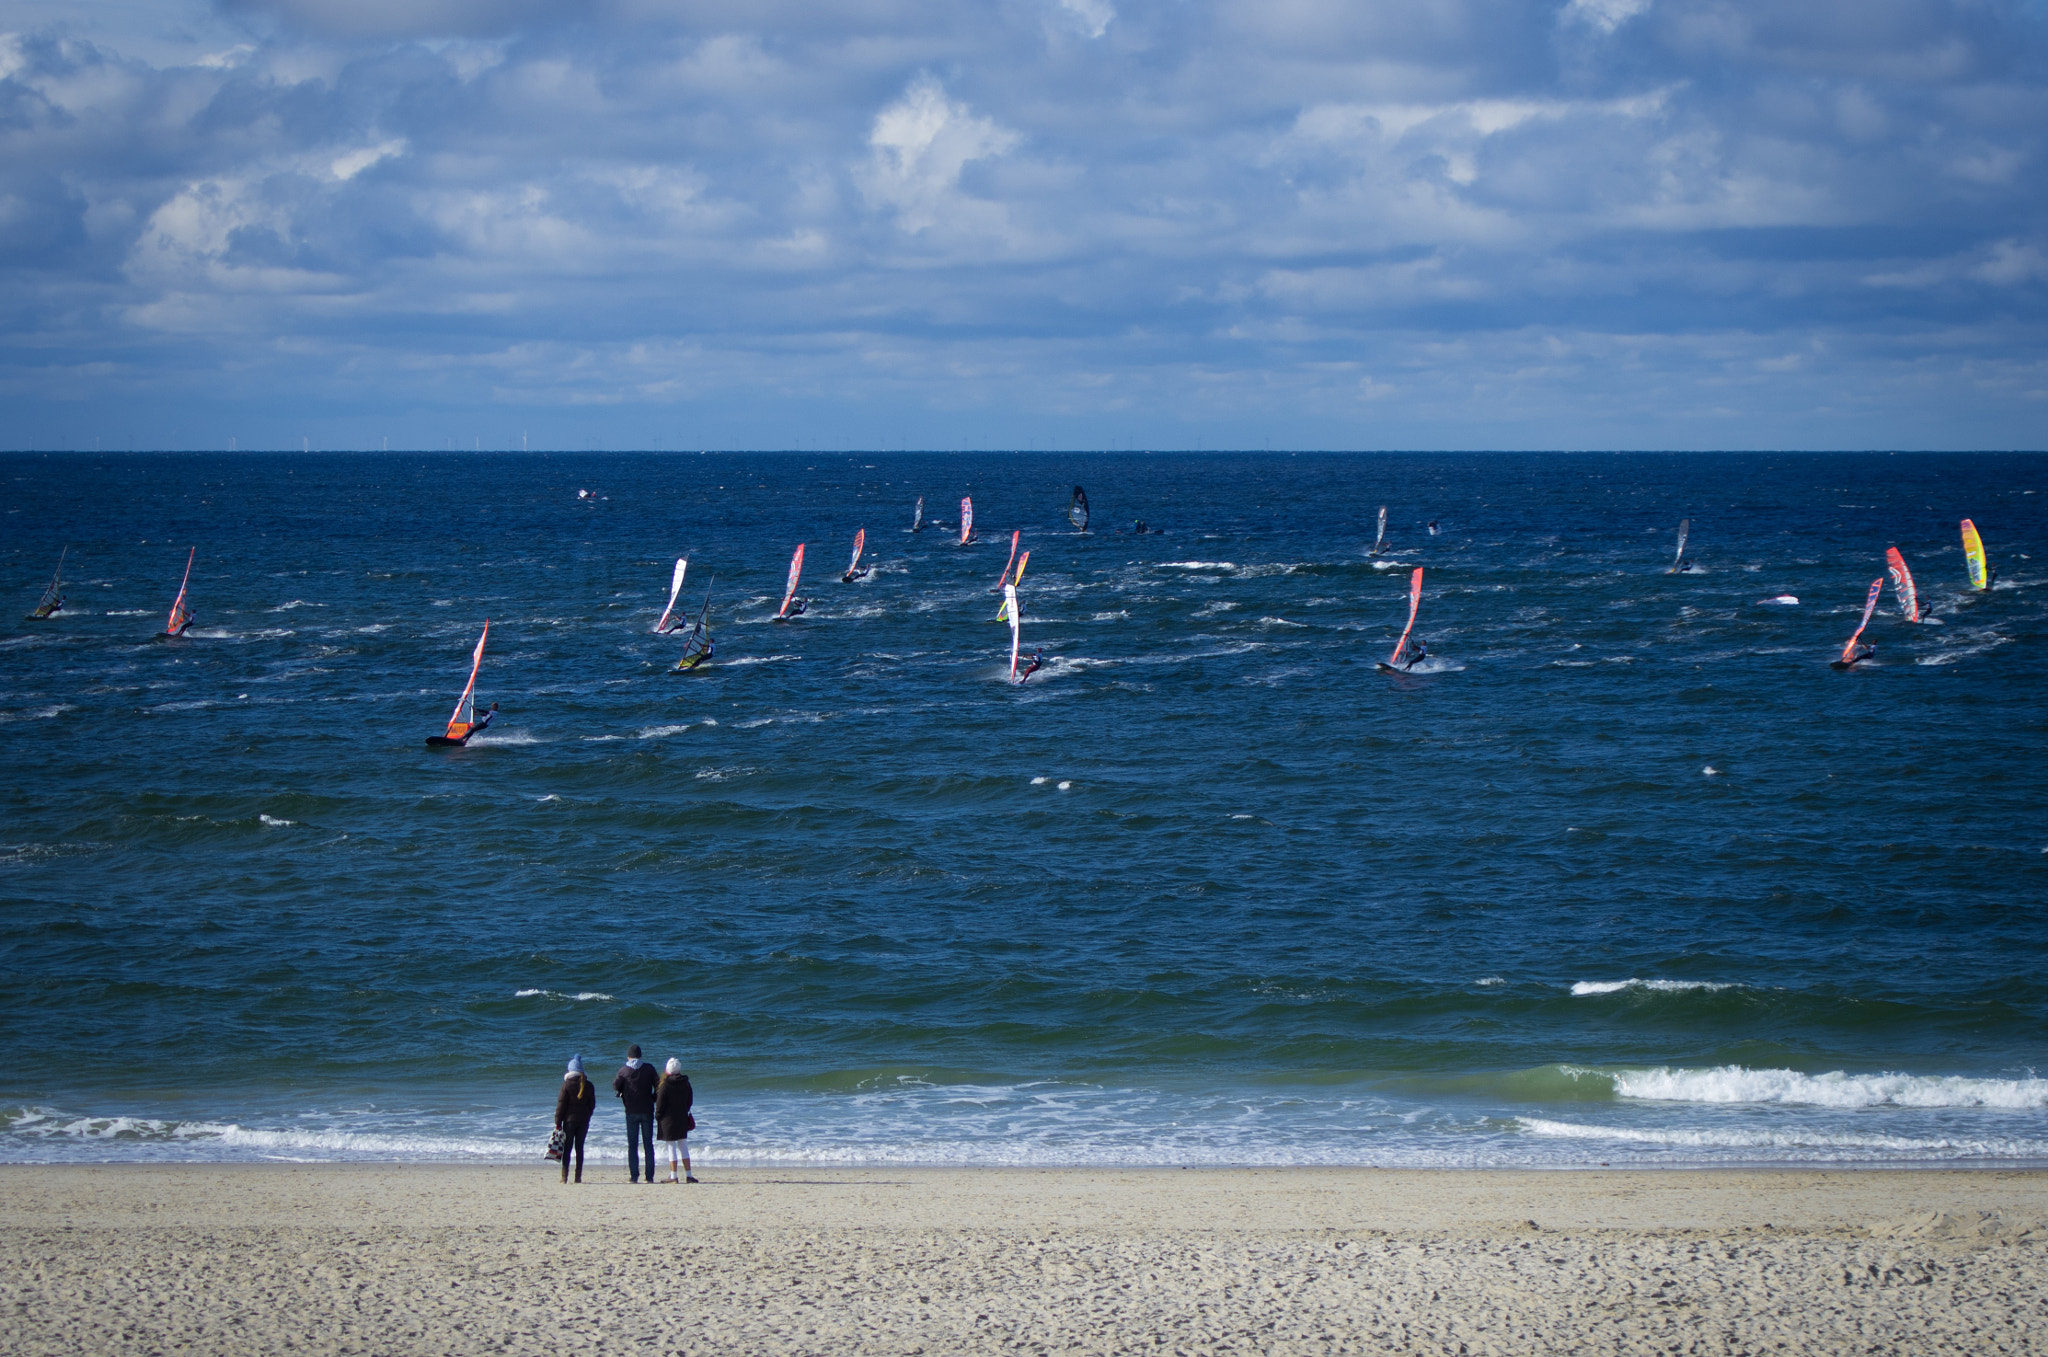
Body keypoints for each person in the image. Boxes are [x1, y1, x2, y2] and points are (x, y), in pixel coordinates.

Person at [614, 1044, 659, 1184]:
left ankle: (634, 1176)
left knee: (632, 1144)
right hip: (647, 1110)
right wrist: (653, 1098)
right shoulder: (649, 1068)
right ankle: (649, 1176)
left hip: (631, 1111)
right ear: (640, 1055)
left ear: (629, 1056)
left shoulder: (623, 1071)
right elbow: (659, 1085)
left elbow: (616, 1085)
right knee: (648, 1144)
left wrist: (623, 1093)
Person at [554, 1054, 596, 1184]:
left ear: (570, 1070)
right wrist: (587, 1116)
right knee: (579, 1148)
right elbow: (592, 1105)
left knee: (567, 1148)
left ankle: (564, 1176)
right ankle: (578, 1177)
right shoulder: (588, 1085)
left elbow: (561, 1105)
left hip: (569, 1121)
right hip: (583, 1122)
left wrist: (558, 1122)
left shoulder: (566, 1085)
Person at [655, 1058, 698, 1183]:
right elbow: (689, 1101)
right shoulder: (686, 1083)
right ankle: (689, 1175)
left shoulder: (665, 1085)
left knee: (671, 1147)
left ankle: (673, 1176)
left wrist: (658, 1116)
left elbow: (660, 1105)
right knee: (683, 1146)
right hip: (681, 1118)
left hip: (667, 1121)